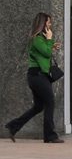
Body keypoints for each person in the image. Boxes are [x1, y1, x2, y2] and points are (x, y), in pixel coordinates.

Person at [6, 13, 65, 143]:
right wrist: (50, 40)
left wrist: (50, 45)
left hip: (37, 76)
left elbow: (45, 53)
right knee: (50, 102)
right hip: (38, 76)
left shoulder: (40, 39)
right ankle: (50, 135)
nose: (50, 25)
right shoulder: (37, 38)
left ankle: (13, 126)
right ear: (42, 24)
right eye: (48, 22)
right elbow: (46, 52)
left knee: (38, 106)